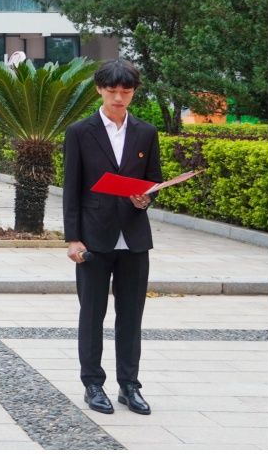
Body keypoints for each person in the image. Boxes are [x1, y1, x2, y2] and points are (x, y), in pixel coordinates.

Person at [62, 59, 161, 416]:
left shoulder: (146, 132)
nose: (119, 98)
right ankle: (93, 384)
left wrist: (145, 199)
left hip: (134, 239)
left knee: (131, 316)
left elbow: (153, 180)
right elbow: (72, 189)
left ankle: (129, 386)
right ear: (99, 90)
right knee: (92, 313)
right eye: (112, 90)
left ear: (134, 92)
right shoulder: (79, 131)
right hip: (93, 238)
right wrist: (73, 239)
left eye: (126, 91)